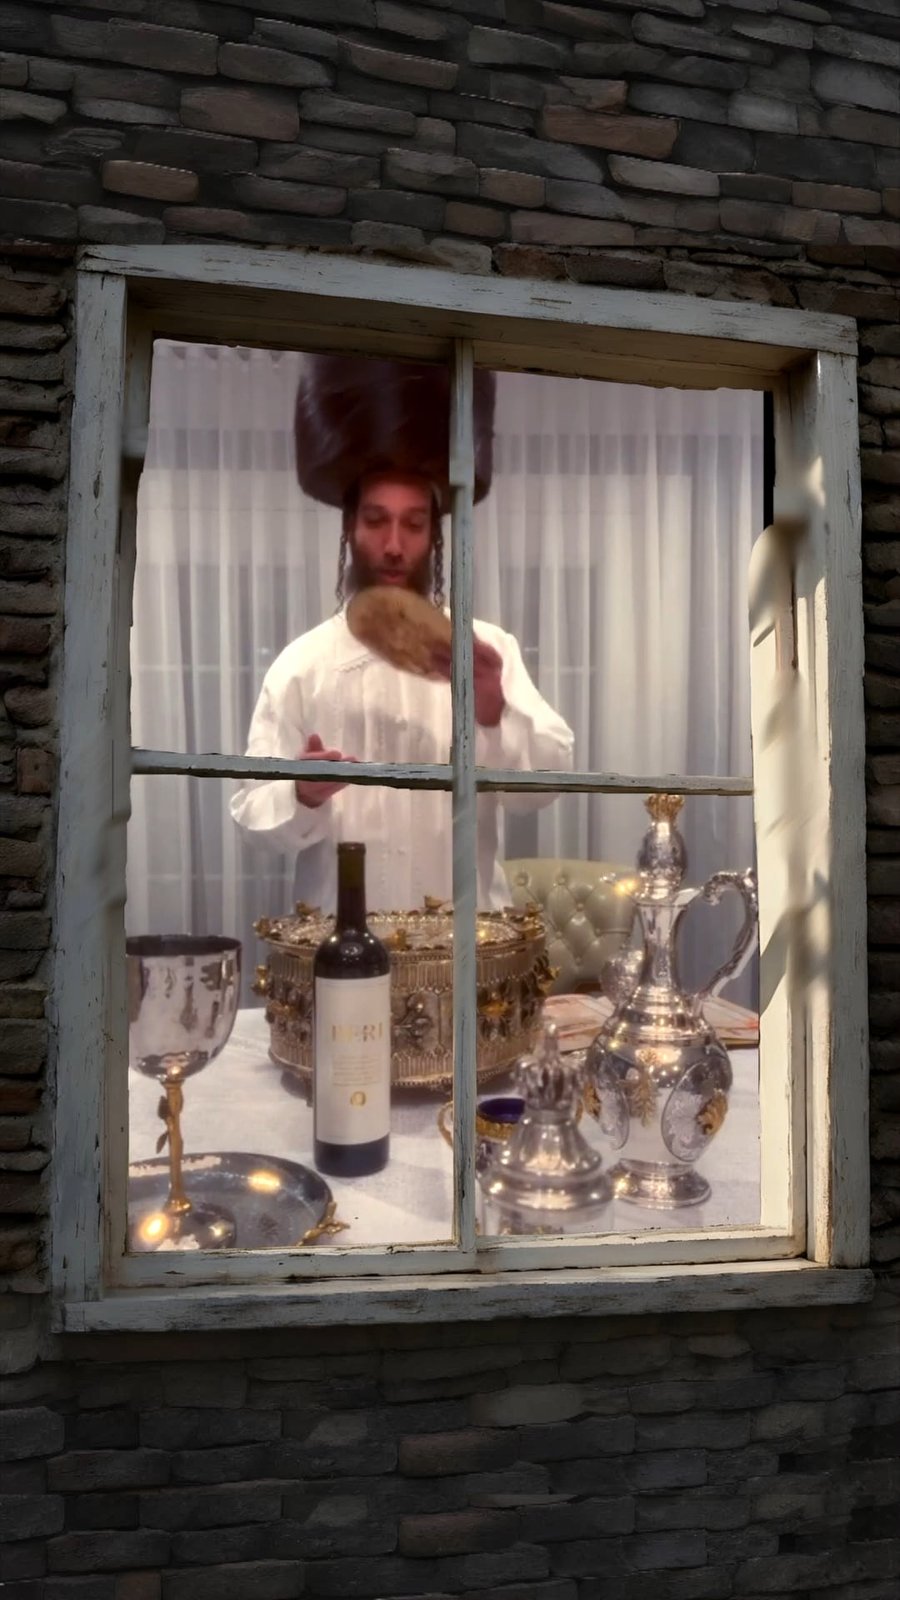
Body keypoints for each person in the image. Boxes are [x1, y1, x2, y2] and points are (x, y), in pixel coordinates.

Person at [230, 358, 574, 913]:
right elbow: (252, 816)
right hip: (341, 943)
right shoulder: (301, 665)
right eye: (376, 521)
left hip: (464, 946)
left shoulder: (487, 650)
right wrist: (301, 793)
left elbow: (544, 789)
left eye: (413, 524)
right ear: (350, 527)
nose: (394, 545)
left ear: (435, 536)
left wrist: (494, 714)